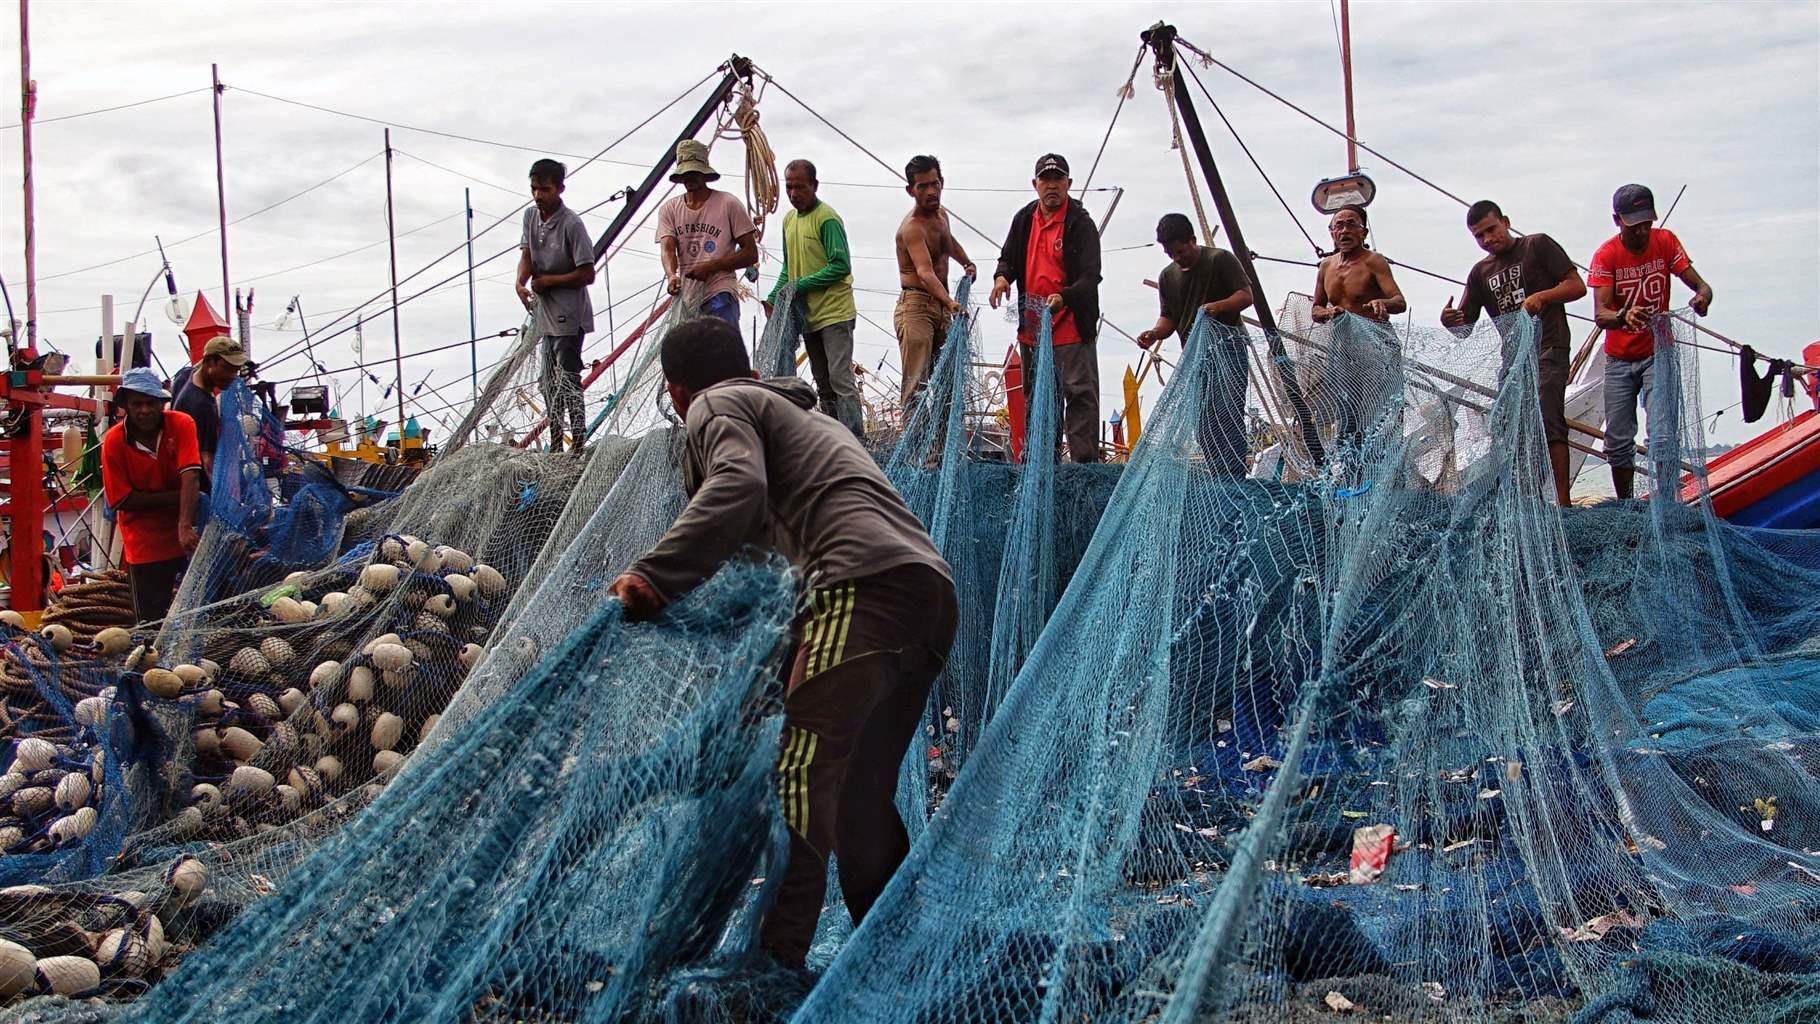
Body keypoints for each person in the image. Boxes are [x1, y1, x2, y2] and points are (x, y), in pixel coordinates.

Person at [607, 317, 956, 970]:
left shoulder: (715, 405)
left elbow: (736, 487)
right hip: (926, 595)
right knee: (857, 795)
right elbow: (791, 572)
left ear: (677, 393)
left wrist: (654, 577)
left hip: (860, 585)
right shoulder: (810, 421)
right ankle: (895, 955)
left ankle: (773, 962)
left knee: (799, 771)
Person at [1440, 201, 1587, 505]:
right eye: (1479, 236)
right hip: (1513, 359)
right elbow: (1465, 326)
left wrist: (1542, 297)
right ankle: (1526, 497)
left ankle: (1563, 501)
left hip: (1549, 346)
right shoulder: (1481, 272)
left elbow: (1576, 286)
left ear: (1505, 222)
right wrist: (1449, 320)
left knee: (1548, 416)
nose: (1488, 239)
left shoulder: (1537, 245)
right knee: (1510, 425)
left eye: (1491, 230)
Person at [1587, 184, 1714, 499]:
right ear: (1617, 220)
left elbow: (1701, 286)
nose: (1643, 231)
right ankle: (1627, 504)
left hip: (1659, 352)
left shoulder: (1666, 241)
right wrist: (1624, 316)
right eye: (1635, 225)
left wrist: (1701, 298)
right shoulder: (1606, 255)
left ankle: (1667, 503)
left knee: (1662, 437)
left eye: (1647, 223)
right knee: (1617, 441)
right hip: (1618, 360)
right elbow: (1601, 314)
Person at [989, 154, 1103, 463]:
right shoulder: (1025, 218)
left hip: (1071, 327)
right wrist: (1001, 278)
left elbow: (1091, 276)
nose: (1051, 186)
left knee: (1079, 395)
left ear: (1069, 184)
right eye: (1045, 179)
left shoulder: (1080, 222)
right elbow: (1008, 258)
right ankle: (1041, 465)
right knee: (1039, 400)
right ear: (1035, 184)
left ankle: (1083, 469)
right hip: (1033, 330)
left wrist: (1063, 297)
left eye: (1058, 179)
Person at [1137, 214, 1254, 475]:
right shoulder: (1168, 276)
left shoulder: (1219, 260)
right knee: (1203, 420)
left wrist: (1218, 307)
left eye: (1180, 251)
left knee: (1228, 411)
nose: (1176, 258)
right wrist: (1154, 333)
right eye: (1170, 254)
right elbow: (1169, 318)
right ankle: (1217, 473)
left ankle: (1234, 474)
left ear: (1192, 240)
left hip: (1228, 348)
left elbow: (1245, 296)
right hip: (1195, 356)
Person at [765, 159, 865, 438]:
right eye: (789, 188)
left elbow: (840, 265)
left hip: (835, 313)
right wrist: (774, 295)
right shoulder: (788, 221)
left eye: (800, 187)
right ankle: (835, 438)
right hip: (809, 316)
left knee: (840, 378)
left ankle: (856, 440)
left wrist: (801, 285)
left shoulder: (827, 218)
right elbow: (789, 267)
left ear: (814, 186)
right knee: (822, 382)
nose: (794, 193)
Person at [100, 368, 202, 623]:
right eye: (137, 404)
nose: (144, 410)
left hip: (189, 537)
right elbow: (122, 500)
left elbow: (191, 473)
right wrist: (180, 497)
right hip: (144, 545)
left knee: (203, 610)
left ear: (161, 403)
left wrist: (184, 524)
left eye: (150, 403)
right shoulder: (113, 441)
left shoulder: (181, 423)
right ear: (125, 405)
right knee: (149, 621)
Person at [1309, 205, 1406, 458]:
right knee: (1345, 410)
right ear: (1331, 233)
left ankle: (1386, 470)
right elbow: (1316, 309)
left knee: (1381, 411)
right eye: (1338, 226)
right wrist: (1329, 313)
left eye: (1351, 224)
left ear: (1363, 232)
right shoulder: (1326, 266)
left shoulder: (1374, 262)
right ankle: (1351, 471)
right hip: (1342, 348)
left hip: (1376, 346)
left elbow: (1399, 301)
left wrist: (1381, 303)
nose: (1344, 231)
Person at [515, 158, 597, 454]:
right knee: (548, 383)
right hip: (543, 315)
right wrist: (520, 283)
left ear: (560, 189)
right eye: (534, 189)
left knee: (568, 378)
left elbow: (587, 273)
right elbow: (526, 255)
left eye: (545, 189)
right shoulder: (530, 217)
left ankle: (578, 442)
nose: (538, 195)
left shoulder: (572, 224)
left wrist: (550, 281)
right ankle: (555, 441)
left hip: (568, 314)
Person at [893, 155, 976, 411]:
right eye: (922, 186)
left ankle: (940, 450)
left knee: (947, 383)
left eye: (935, 184)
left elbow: (947, 242)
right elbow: (925, 273)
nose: (931, 191)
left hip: (941, 307)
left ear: (942, 182)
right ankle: (915, 450)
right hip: (916, 307)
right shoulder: (912, 228)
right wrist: (950, 302)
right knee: (916, 386)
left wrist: (966, 262)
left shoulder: (941, 215)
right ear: (910, 190)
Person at [658, 140, 758, 329]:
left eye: (694, 172)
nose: (690, 177)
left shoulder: (728, 203)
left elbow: (750, 253)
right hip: (687, 296)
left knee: (722, 347)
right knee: (691, 353)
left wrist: (711, 266)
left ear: (704, 172)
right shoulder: (669, 209)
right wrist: (672, 275)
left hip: (719, 291)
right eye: (685, 173)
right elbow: (668, 249)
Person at [172, 336, 250, 486]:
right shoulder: (203, 407)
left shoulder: (184, 375)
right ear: (209, 362)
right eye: (227, 369)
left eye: (236, 370)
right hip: (195, 486)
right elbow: (208, 463)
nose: (232, 376)